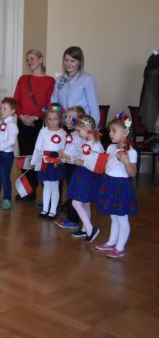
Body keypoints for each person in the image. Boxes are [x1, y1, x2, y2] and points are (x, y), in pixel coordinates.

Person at [13, 49, 55, 201]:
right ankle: (28, 191)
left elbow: (49, 104)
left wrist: (35, 117)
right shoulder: (23, 79)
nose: (30, 62)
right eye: (27, 59)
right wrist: (22, 116)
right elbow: (15, 100)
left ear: (41, 59)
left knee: (38, 157)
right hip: (22, 121)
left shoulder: (50, 81)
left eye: (32, 59)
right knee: (25, 156)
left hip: (39, 123)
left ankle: (45, 193)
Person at [94, 113, 138, 259]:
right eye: (110, 131)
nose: (110, 133)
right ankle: (112, 242)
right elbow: (106, 165)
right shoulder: (111, 147)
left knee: (122, 218)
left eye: (114, 130)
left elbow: (132, 173)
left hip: (121, 186)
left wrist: (126, 161)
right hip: (109, 183)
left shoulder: (131, 152)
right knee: (114, 217)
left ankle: (120, 247)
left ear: (125, 132)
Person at [67, 115, 104, 243]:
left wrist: (82, 163)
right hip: (83, 174)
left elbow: (98, 164)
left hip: (89, 176)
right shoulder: (87, 143)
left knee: (76, 202)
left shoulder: (96, 145)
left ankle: (90, 229)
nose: (78, 133)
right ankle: (84, 229)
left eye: (79, 130)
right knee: (85, 202)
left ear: (87, 129)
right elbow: (83, 157)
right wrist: (72, 159)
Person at [30, 103, 67, 219]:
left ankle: (53, 210)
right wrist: (33, 161)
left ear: (60, 119)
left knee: (54, 186)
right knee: (46, 185)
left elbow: (64, 150)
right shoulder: (43, 131)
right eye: (49, 119)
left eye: (55, 119)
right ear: (46, 120)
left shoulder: (63, 133)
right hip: (44, 159)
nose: (52, 122)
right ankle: (45, 209)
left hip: (55, 162)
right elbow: (37, 147)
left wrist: (59, 160)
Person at [51, 46, 100, 124]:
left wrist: (91, 129)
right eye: (66, 60)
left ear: (79, 62)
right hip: (63, 124)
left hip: (80, 125)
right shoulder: (60, 80)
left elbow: (94, 109)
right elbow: (54, 102)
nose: (68, 64)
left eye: (72, 61)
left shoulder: (87, 79)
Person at [55, 106, 86, 230]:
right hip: (69, 166)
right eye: (66, 117)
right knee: (70, 191)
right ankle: (70, 216)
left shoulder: (80, 136)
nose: (67, 119)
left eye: (71, 117)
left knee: (74, 193)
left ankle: (74, 220)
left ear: (79, 120)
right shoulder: (70, 134)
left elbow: (80, 154)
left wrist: (67, 154)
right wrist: (62, 157)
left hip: (76, 168)